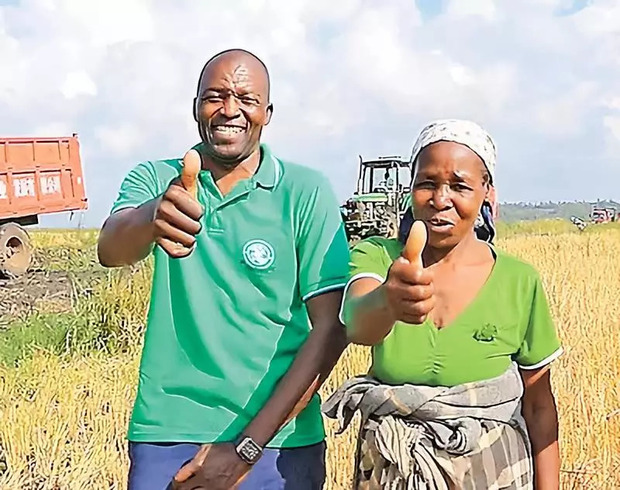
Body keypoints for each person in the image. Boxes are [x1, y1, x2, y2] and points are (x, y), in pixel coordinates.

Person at [97, 48, 351, 490]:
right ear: (196, 107)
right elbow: (110, 248)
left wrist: (247, 449)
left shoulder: (306, 192)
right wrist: (153, 216)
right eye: (215, 96)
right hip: (168, 433)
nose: (229, 109)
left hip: (279, 443)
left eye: (246, 99)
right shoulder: (158, 179)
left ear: (267, 113)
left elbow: (330, 329)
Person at [323, 119, 562, 489]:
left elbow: (539, 405)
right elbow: (356, 324)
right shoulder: (377, 257)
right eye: (427, 184)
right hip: (394, 471)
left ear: (487, 194)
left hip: (493, 474)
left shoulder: (518, 281)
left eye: (460, 186)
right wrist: (389, 300)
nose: (440, 199)